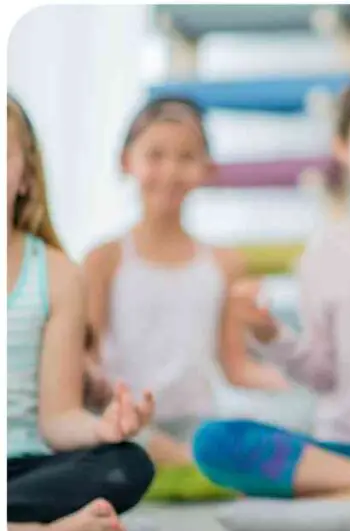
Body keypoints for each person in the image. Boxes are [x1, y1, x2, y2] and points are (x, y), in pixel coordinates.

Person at [191, 75, 350, 502]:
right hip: (344, 449)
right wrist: (268, 334)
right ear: (342, 147)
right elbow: (321, 373)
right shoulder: (324, 253)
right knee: (215, 442)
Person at [82, 97, 288, 469]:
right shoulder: (104, 259)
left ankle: (190, 462)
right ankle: (186, 464)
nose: (171, 170)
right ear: (127, 161)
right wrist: (120, 413)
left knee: (260, 435)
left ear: (207, 169)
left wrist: (300, 389)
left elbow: (234, 365)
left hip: (199, 425)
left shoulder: (226, 262)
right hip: (127, 424)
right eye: (156, 155)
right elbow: (88, 360)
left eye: (186, 157)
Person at [7, 94, 155, 531]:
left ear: (26, 177)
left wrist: (101, 428)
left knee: (126, 464)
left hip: (20, 472)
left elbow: (57, 417)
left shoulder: (56, 274)